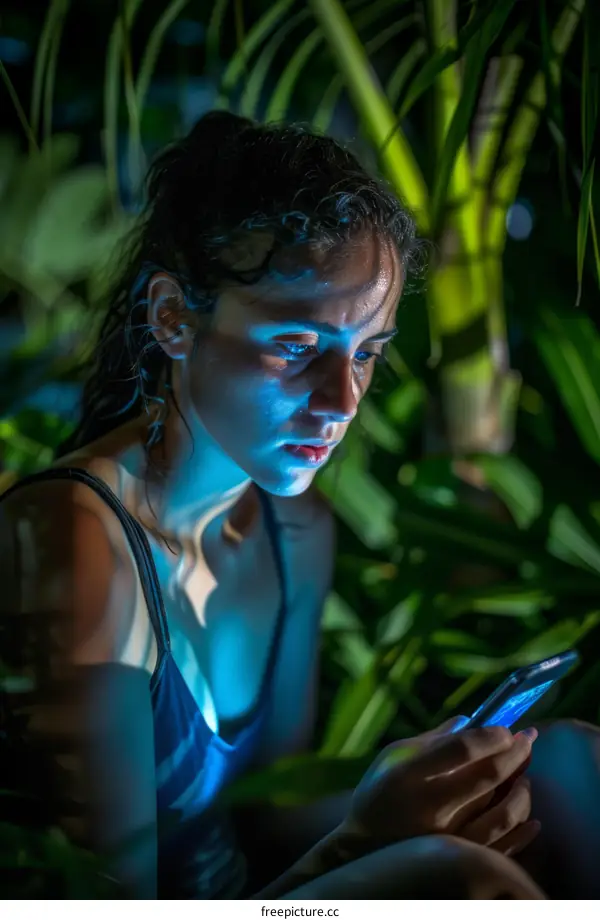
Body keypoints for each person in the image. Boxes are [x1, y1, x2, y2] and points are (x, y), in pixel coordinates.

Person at [0, 110, 598, 900]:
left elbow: (266, 817)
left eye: (366, 353)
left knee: (570, 763)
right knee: (461, 878)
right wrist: (363, 841)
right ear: (174, 317)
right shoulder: (77, 540)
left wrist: (402, 795)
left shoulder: (290, 529)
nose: (342, 400)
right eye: (296, 347)